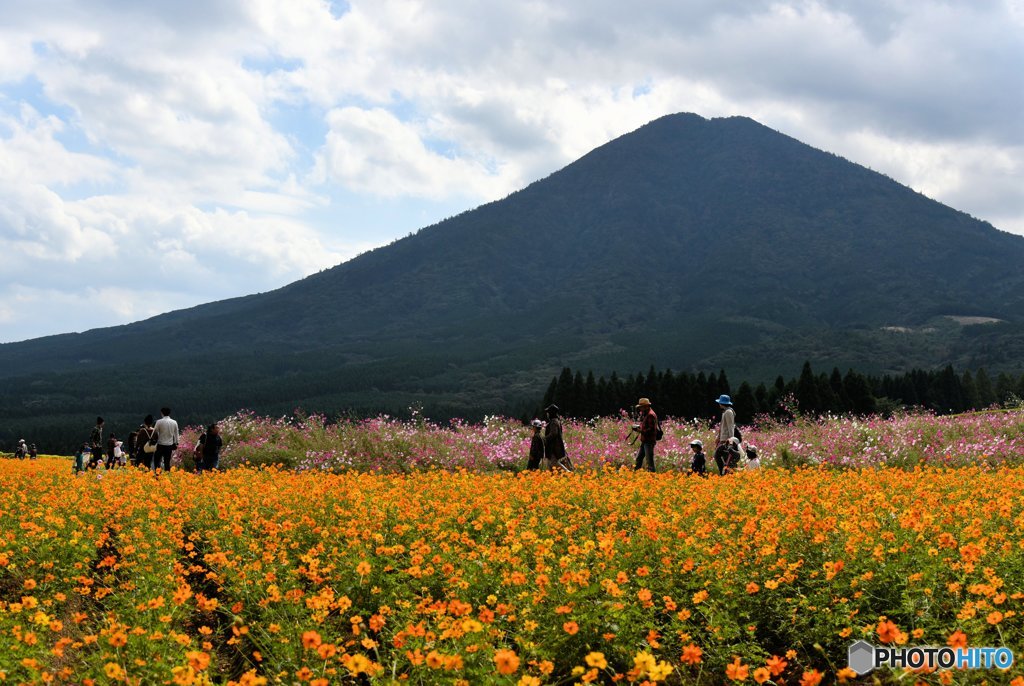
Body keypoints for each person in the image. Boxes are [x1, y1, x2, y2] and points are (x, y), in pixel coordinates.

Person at [632, 398, 658, 472]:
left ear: (646, 406)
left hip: (649, 441)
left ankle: (652, 478)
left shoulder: (650, 415)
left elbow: (652, 430)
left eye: (641, 407)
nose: (640, 409)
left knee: (649, 461)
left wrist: (640, 430)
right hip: (645, 440)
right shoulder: (647, 414)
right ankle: (635, 475)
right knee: (639, 459)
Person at [543, 404, 572, 471]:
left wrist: (544, 439)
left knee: (554, 464)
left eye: (548, 412)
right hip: (555, 447)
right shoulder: (556, 421)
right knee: (552, 465)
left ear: (551, 413)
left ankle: (568, 474)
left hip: (553, 448)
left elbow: (554, 433)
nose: (547, 414)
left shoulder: (553, 422)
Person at [714, 395, 736, 475]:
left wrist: (731, 441)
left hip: (726, 440)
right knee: (725, 457)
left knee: (718, 455)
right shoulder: (726, 412)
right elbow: (722, 427)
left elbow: (730, 427)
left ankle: (724, 473)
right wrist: (718, 437)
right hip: (723, 439)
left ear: (721, 403)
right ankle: (726, 473)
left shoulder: (728, 412)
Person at [153, 407, 179, 473]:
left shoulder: (159, 422)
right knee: (167, 462)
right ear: (169, 413)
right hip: (169, 445)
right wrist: (176, 442)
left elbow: (155, 432)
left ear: (162, 413)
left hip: (160, 444)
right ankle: (167, 476)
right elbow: (176, 434)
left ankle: (158, 475)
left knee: (157, 461)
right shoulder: (174, 422)